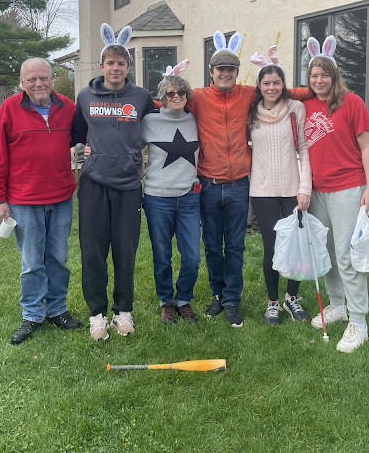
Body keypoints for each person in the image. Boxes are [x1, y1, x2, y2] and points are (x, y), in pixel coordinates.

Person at [189, 32, 309, 328]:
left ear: (237, 74)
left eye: (231, 69)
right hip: (209, 182)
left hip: (241, 183)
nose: (226, 74)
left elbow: (286, 92)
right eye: (221, 69)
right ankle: (217, 294)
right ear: (211, 73)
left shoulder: (247, 95)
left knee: (236, 246)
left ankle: (232, 299)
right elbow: (168, 101)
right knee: (213, 245)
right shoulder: (199, 98)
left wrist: (322, 89)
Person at [0, 58, 81, 345]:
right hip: (24, 201)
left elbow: (92, 131)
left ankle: (57, 309)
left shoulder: (67, 108)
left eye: (43, 78)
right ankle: (33, 314)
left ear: (52, 79)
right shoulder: (8, 111)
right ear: (22, 84)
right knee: (31, 262)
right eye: (31, 80)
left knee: (58, 259)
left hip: (61, 197)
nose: (38, 84)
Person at [71, 24, 156, 342]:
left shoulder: (141, 97)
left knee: (125, 251)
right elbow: (78, 133)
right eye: (111, 62)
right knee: (92, 252)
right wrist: (89, 149)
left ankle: (123, 313)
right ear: (102, 65)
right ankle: (97, 316)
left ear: (128, 67)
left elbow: (160, 124)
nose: (116, 67)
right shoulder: (85, 96)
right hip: (93, 184)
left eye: (122, 63)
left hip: (128, 186)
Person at [304, 35, 369, 353]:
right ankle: (337, 304)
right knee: (327, 254)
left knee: (347, 256)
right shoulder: (304, 105)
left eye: (325, 75)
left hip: (348, 189)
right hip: (316, 191)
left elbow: (368, 148)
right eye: (313, 75)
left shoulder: (352, 102)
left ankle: (358, 321)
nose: (319, 80)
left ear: (334, 77)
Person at [247, 47, 312, 325]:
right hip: (262, 192)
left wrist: (305, 188)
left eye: (276, 82)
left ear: (283, 84)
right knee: (272, 247)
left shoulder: (296, 109)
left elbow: (305, 149)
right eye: (266, 83)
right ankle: (273, 302)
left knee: (295, 246)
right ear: (259, 87)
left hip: (292, 189)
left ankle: (291, 298)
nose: (271, 87)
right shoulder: (251, 114)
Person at [142, 61, 200, 324]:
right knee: (162, 254)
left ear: (187, 96)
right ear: (163, 98)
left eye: (181, 93)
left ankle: (184, 299)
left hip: (189, 197)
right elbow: (127, 144)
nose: (176, 97)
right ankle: (166, 300)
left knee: (192, 256)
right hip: (156, 197)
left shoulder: (195, 120)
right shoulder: (149, 122)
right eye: (171, 93)